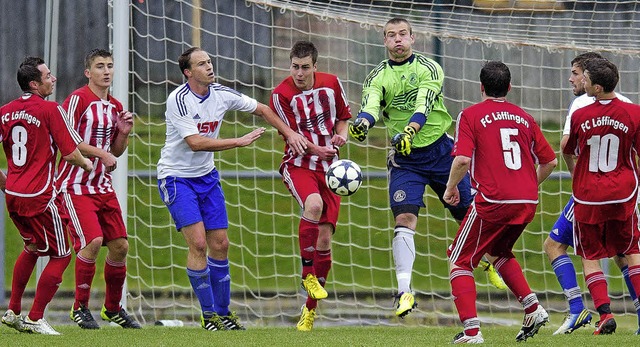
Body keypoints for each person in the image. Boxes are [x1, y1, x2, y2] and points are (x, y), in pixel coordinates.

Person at [348, 17, 504, 318]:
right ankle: (404, 292)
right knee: (405, 217)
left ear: (413, 38)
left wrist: (409, 131)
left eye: (402, 34)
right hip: (405, 160)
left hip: (442, 152)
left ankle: (488, 260)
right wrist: (362, 124)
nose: (397, 40)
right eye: (391, 35)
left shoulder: (430, 68)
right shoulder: (376, 76)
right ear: (384, 41)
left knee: (470, 213)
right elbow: (370, 105)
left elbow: (424, 104)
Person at [157, 47, 307, 331]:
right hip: (176, 178)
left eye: (210, 61)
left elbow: (262, 109)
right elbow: (196, 143)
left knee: (221, 245)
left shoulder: (221, 94)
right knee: (199, 244)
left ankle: (224, 314)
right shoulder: (178, 100)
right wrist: (238, 141)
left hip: (207, 177)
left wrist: (288, 133)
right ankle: (209, 315)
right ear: (188, 72)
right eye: (202, 64)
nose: (209, 67)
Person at [444, 61, 557, 344]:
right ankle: (533, 308)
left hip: (493, 201)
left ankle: (471, 332)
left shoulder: (469, 115)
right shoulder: (524, 117)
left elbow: (461, 159)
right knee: (498, 251)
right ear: (509, 87)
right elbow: (551, 161)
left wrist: (450, 188)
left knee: (459, 259)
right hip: (527, 201)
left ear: (481, 87)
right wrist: (529, 187)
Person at [543, 52, 640, 335]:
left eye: (577, 74)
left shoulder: (582, 111)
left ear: (594, 83)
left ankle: (600, 313)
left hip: (587, 194)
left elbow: (566, 148)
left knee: (588, 252)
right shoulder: (633, 110)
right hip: (623, 193)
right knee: (629, 251)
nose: (574, 79)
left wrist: (578, 175)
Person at [0, 57, 93, 335]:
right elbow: (70, 152)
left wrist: (4, 182)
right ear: (34, 84)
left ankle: (13, 310)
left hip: (14, 195)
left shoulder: (5, 111)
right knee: (63, 253)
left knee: (32, 247)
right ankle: (35, 317)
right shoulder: (51, 109)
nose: (53, 79)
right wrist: (88, 164)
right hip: (40, 195)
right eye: (48, 76)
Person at [55, 49, 140, 329]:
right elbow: (65, 139)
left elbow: (115, 150)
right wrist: (100, 155)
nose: (106, 71)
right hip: (74, 185)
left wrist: (124, 134)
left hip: (102, 186)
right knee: (92, 242)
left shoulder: (115, 106)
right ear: (88, 73)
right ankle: (79, 307)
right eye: (100, 66)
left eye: (110, 66)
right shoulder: (78, 99)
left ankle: (113, 309)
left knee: (120, 246)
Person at [270, 41, 352, 331]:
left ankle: (309, 310)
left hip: (330, 169)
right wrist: (320, 150)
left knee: (325, 241)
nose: (299, 73)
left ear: (315, 66)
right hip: (299, 164)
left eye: (305, 67)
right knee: (313, 205)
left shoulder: (332, 84)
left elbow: (343, 120)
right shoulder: (280, 95)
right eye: (295, 67)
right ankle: (307, 273)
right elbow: (293, 138)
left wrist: (341, 137)